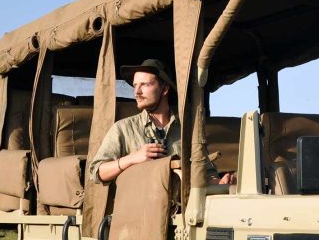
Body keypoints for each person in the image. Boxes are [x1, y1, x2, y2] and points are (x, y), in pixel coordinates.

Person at [89, 58, 234, 185]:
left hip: (181, 212)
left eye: (144, 85)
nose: (137, 92)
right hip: (140, 212)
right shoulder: (123, 128)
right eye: (135, 85)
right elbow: (96, 172)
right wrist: (133, 158)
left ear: (164, 89)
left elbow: (206, 174)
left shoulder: (187, 130)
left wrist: (220, 182)